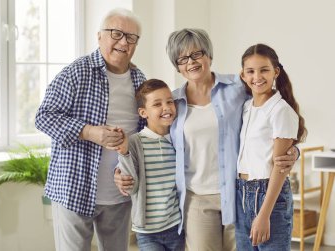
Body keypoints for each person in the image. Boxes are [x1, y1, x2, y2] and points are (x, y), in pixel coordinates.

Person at [115, 28, 299, 251]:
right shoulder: (173, 102)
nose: (190, 62)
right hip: (197, 199)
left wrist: (294, 151)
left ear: (209, 55)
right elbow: (149, 135)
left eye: (196, 54)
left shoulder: (237, 88)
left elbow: (271, 118)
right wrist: (121, 168)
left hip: (238, 194)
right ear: (177, 66)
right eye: (182, 58)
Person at [35, 8, 146, 251]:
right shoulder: (77, 72)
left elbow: (144, 137)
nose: (123, 42)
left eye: (131, 37)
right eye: (116, 33)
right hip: (74, 189)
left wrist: (129, 167)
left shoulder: (140, 81)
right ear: (99, 36)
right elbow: (43, 117)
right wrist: (87, 131)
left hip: (119, 196)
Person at [235, 44, 307, 251]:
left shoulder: (280, 110)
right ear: (243, 75)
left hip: (269, 196)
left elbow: (280, 167)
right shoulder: (247, 107)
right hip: (241, 192)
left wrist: (264, 214)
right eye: (250, 71)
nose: (257, 76)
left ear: (276, 71)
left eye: (264, 70)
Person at [116, 79, 185, 251]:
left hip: (175, 226)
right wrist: (124, 153)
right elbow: (131, 187)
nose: (166, 107)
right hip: (147, 232)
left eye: (169, 101)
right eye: (157, 104)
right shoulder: (134, 142)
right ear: (143, 112)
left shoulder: (178, 139)